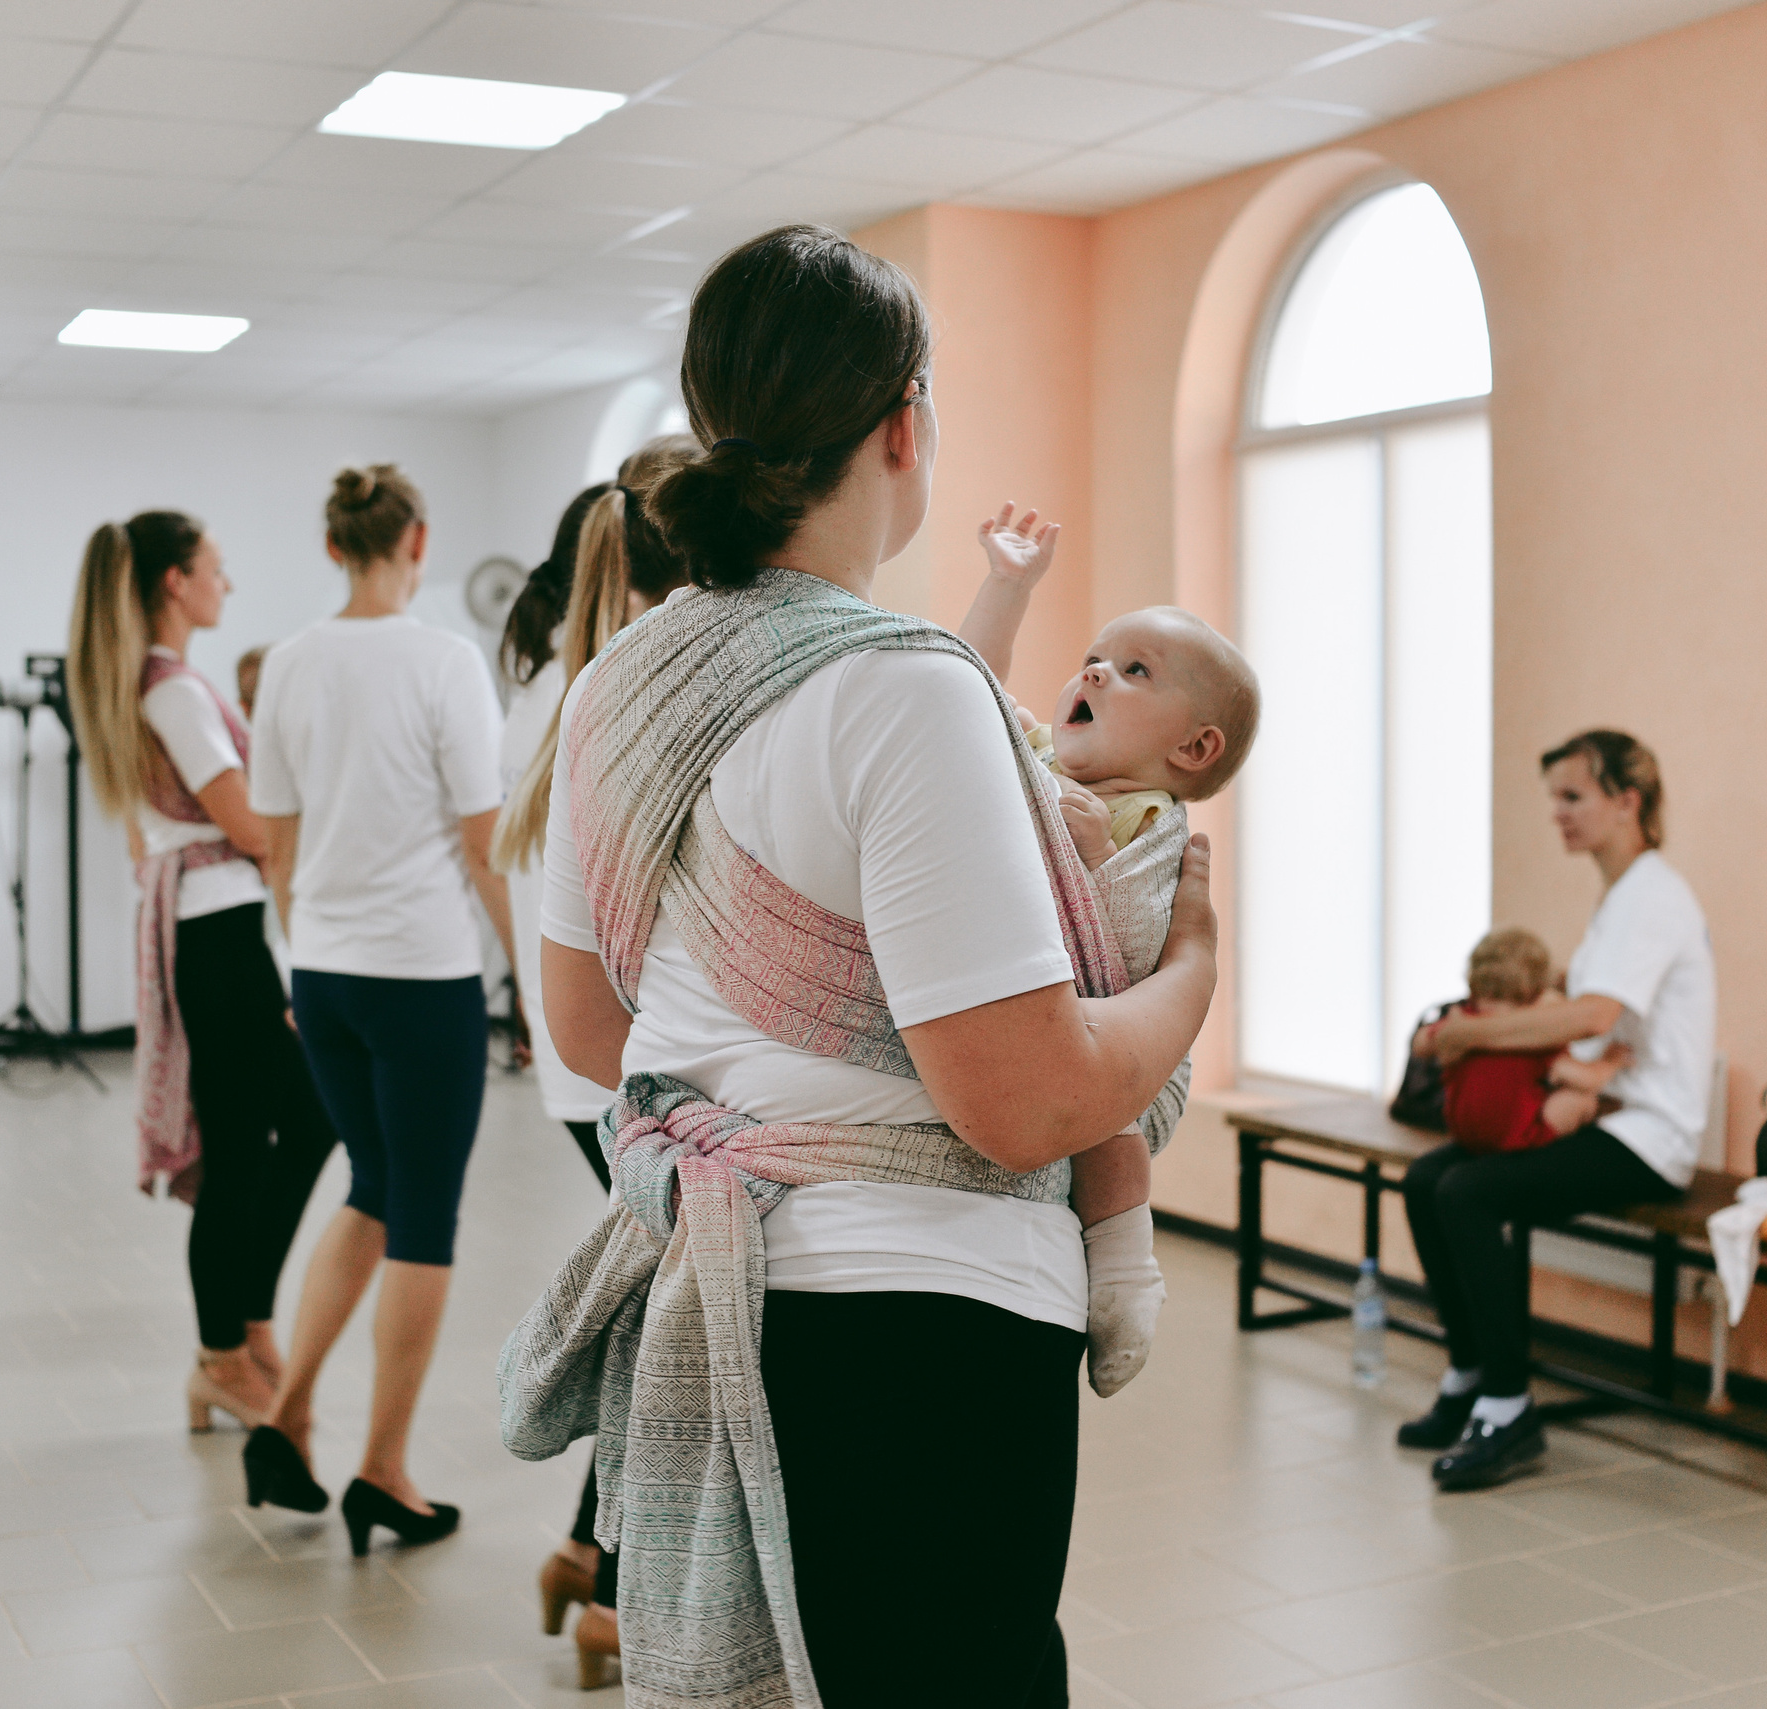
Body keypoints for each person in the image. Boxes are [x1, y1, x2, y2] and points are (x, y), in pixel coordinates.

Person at [502, 225, 1216, 1708]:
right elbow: (1025, 1102)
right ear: (907, 424)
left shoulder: (622, 678)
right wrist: (1192, 970)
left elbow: (585, 1027)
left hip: (724, 1293)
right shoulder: (904, 687)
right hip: (925, 1327)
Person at [241, 464, 517, 1559]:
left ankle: (288, 1408)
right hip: (421, 975)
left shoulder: (289, 663)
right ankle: (384, 1471)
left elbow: (276, 843)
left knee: (370, 1183)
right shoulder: (446, 660)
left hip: (326, 973)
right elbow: (483, 839)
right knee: (423, 1217)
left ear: (332, 547)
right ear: (418, 540)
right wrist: (531, 986)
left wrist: (298, 960)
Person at [952, 503, 1257, 1396]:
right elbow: (965, 689)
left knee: (1111, 1136)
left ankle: (1125, 1277)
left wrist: (1092, 862)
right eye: (1094, 655)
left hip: (1113, 1047)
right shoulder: (1040, 754)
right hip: (1026, 1017)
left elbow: (1129, 961)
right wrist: (1008, 585)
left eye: (1134, 670)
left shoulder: (1152, 825)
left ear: (1192, 748)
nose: (1094, 669)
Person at [492, 441, 700, 1678]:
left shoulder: (548, 683)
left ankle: (591, 1558)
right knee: (664, 1335)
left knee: (647, 1314)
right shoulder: (641, 684)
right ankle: (612, 1586)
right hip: (636, 1071)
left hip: (582, 1068)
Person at [64, 510, 337, 1432]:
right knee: (244, 1154)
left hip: (222, 934)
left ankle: (245, 1327)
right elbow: (256, 827)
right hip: (218, 942)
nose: (228, 583)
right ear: (175, 582)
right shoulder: (173, 690)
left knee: (299, 1121)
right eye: (216, 568)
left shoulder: (161, 682)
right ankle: (224, 1354)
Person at [1398, 731, 1715, 1490]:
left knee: (1469, 1192)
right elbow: (1580, 1003)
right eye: (1556, 798)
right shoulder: (1624, 896)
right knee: (1425, 1179)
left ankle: (1509, 1409)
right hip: (1604, 1111)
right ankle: (1471, 1371)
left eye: (1572, 796)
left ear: (1626, 800)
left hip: (1648, 1136)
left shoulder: (1652, 897)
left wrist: (1469, 1032)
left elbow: (1587, 1016)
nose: (1558, 814)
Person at [1416, 928, 1631, 1154]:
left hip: (1462, 1133)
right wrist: (1610, 1062)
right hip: (1512, 1138)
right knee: (1582, 1099)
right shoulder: (1532, 1034)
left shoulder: (1465, 1021)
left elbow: (1420, 1045)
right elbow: (1586, 1079)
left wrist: (1443, 1038)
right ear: (1538, 990)